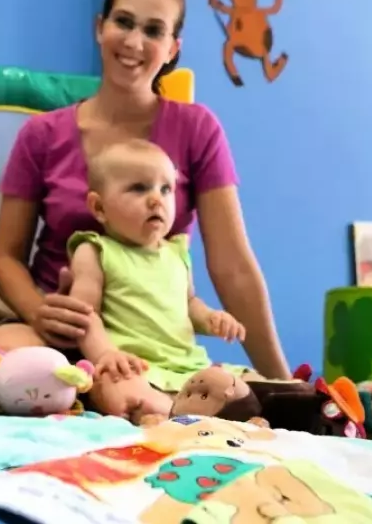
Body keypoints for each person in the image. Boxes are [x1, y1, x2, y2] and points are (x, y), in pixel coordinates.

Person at [0, 0, 290, 381]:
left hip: (152, 344)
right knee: (5, 358)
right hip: (60, 334)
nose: (134, 42)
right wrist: (40, 311)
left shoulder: (197, 129)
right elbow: (5, 257)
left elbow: (233, 265)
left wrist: (282, 380)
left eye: (154, 30)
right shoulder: (41, 135)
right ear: (99, 27)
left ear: (173, 48)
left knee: (229, 386)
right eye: (123, 22)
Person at [68, 139, 247, 419]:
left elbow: (189, 302)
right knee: (112, 387)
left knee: (239, 383)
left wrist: (212, 318)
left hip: (189, 368)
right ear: (99, 207)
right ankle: (165, 413)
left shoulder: (177, 253)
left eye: (166, 189)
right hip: (134, 366)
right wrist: (104, 355)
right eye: (139, 188)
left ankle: (192, 411)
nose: (156, 199)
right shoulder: (95, 251)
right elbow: (83, 314)